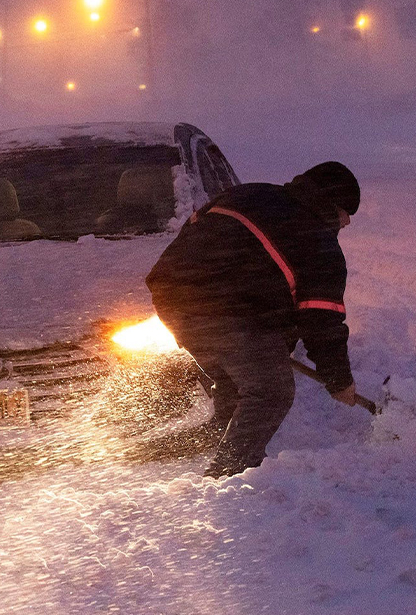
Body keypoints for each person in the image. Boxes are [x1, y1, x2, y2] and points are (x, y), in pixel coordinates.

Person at [146, 161, 360, 478]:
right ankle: (226, 478)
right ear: (334, 204)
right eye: (347, 213)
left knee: (235, 382)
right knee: (271, 390)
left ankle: (210, 441)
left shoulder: (248, 193)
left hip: (171, 297)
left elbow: (203, 238)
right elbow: (322, 321)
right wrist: (339, 380)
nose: (347, 223)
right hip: (223, 309)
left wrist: (273, 339)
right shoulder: (317, 240)